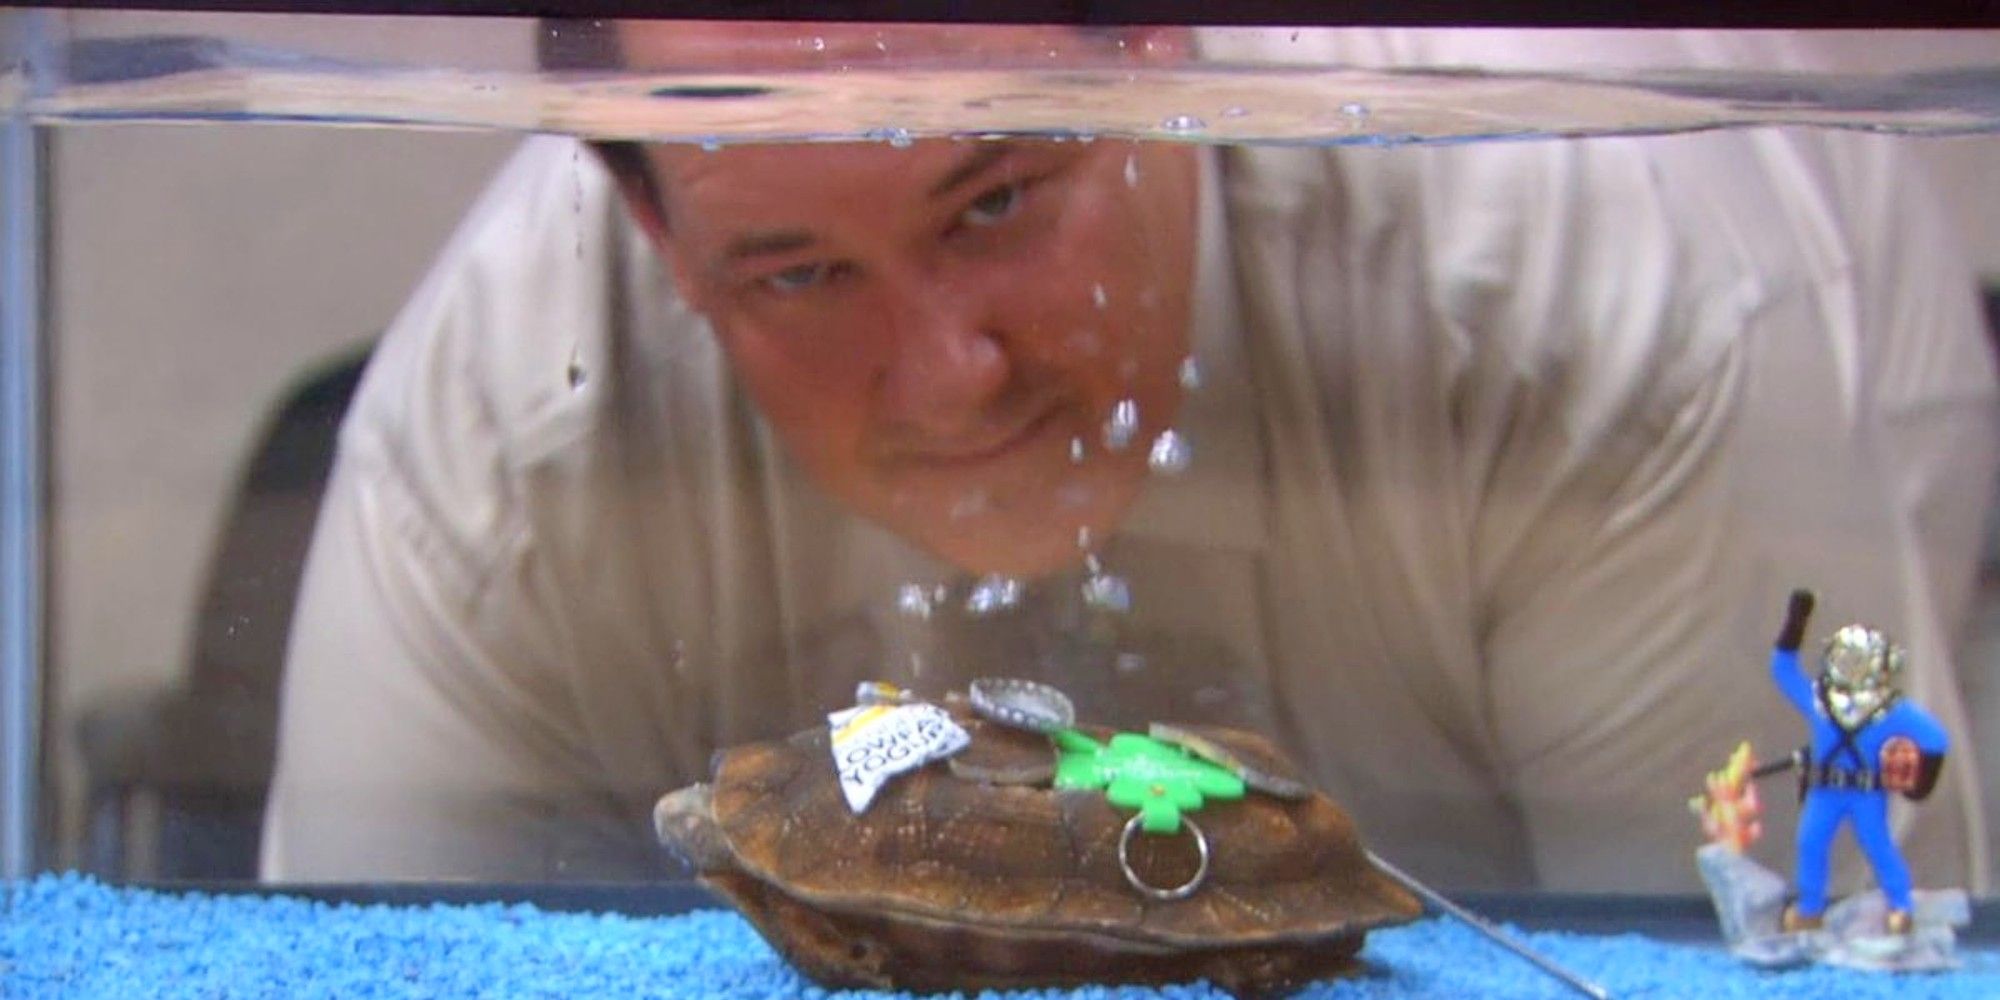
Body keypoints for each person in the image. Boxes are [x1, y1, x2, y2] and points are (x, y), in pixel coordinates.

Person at [259, 24, 1996, 893]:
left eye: (999, 195)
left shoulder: (1610, 305)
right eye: (794, 275)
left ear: (1173, 56)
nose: (949, 374)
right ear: (645, 240)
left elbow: (1792, 965)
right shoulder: (499, 446)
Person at [1770, 588, 1950, 934]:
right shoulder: (1821, 700)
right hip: (1825, 790)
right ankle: (1810, 909)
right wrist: (1796, 622)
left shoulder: (1890, 711)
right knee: (1810, 842)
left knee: (1877, 845)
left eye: (1859, 659)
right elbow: (1783, 668)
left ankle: (1901, 907)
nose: (1850, 666)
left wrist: (1919, 781)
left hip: (1867, 792)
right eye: (1845, 657)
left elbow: (1934, 738)